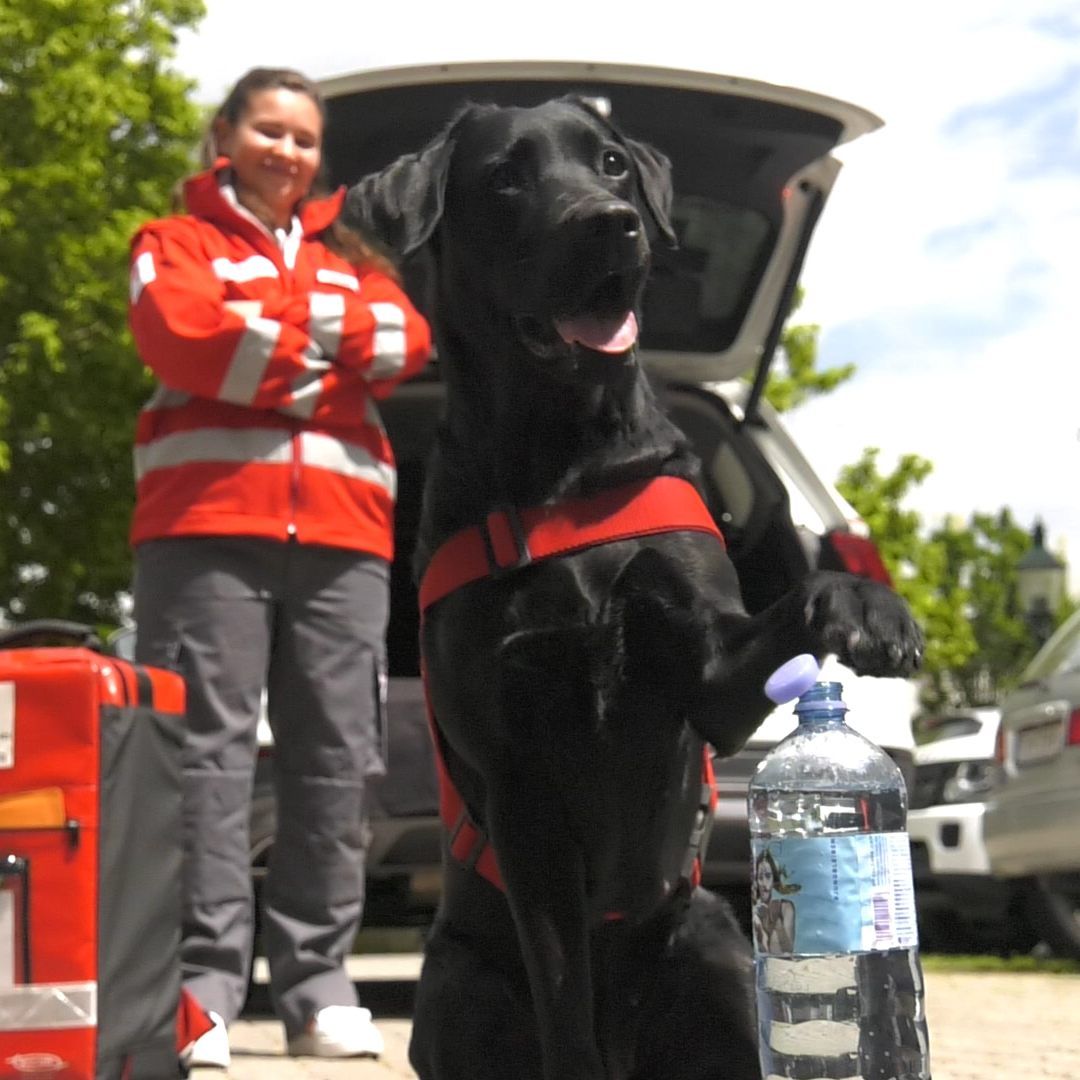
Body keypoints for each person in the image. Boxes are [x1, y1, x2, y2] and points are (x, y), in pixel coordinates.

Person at [127, 67, 431, 1066]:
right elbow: (181, 335)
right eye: (268, 130)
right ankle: (200, 994)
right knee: (201, 761)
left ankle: (317, 990)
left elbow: (408, 338)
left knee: (337, 762)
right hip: (204, 528)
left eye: (304, 138)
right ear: (224, 135)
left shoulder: (356, 256)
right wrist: (331, 364)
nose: (288, 152)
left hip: (345, 540)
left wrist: (259, 337)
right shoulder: (172, 244)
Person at [751, 848, 800, 955]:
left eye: (768, 876)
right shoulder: (753, 911)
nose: (764, 883)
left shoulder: (785, 907)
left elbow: (788, 949)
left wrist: (774, 921)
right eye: (760, 877)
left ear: (774, 879)